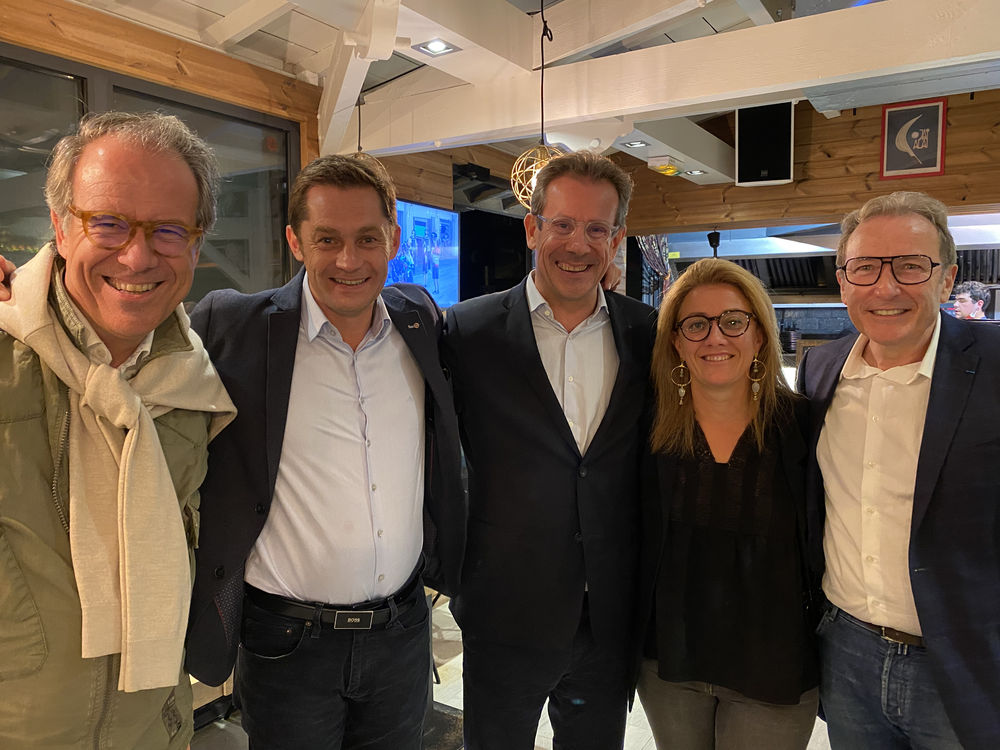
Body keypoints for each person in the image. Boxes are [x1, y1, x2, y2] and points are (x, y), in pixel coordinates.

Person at [183, 154, 466, 749]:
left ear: (393, 239)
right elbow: (135, 338)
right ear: (296, 242)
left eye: (367, 239)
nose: (348, 260)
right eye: (327, 239)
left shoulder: (418, 320)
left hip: (403, 633)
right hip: (286, 644)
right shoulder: (232, 326)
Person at [0, 111, 235, 749]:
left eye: (169, 230)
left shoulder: (195, 389)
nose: (137, 255)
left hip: (153, 730)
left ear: (196, 243)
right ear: (59, 226)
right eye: (107, 222)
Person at [441, 150, 655, 750]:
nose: (578, 245)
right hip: (503, 609)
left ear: (616, 240)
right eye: (562, 224)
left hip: (608, 614)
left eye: (596, 229)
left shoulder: (647, 333)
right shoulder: (468, 331)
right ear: (533, 228)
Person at [797, 191, 1000, 750]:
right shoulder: (819, 369)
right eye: (865, 267)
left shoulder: (995, 365)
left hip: (966, 660)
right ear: (843, 282)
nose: (885, 288)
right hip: (846, 653)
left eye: (910, 266)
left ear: (946, 279)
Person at [636, 258, 819, 750]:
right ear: (676, 342)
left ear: (759, 334)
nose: (715, 338)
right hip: (670, 664)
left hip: (775, 668)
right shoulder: (646, 430)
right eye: (696, 325)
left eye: (733, 321)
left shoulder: (805, 426)